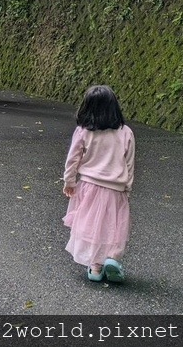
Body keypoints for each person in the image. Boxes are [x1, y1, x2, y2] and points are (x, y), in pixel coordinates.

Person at [62, 85, 135, 284]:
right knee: (114, 227)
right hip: (116, 188)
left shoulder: (83, 132)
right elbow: (129, 163)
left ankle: (95, 267)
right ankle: (112, 258)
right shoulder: (125, 132)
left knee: (90, 226)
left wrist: (69, 181)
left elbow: (73, 159)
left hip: (89, 186)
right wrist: (127, 187)